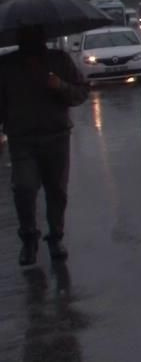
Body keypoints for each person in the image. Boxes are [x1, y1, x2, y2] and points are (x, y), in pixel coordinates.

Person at [0, 26, 89, 266]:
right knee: (24, 187)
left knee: (57, 190)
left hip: (56, 135)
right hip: (22, 138)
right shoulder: (7, 66)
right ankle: (29, 238)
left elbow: (81, 93)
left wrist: (59, 85)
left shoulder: (58, 60)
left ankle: (55, 238)